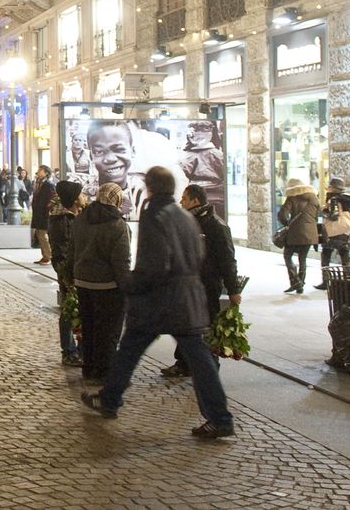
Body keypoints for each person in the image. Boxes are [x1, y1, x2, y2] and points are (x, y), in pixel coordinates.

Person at [82, 166, 235, 440]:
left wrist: (131, 284)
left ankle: (109, 400)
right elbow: (198, 255)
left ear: (150, 187)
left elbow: (155, 262)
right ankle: (220, 417)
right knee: (200, 361)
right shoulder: (184, 216)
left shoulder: (154, 213)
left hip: (159, 300)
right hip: (188, 298)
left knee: (129, 350)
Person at [163, 183, 242, 378]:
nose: (181, 202)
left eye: (184, 198)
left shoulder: (215, 225)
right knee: (184, 324)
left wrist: (234, 289)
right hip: (185, 285)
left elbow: (227, 259)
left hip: (207, 285)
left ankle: (209, 367)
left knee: (205, 326)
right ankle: (184, 363)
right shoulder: (186, 222)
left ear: (195, 201)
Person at [71, 181, 131, 383]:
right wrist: (126, 287)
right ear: (116, 199)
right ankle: (104, 372)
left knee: (89, 328)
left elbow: (74, 249)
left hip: (83, 282)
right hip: (108, 286)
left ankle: (88, 369)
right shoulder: (117, 224)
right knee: (108, 331)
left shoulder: (81, 219)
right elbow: (121, 261)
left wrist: (71, 276)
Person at [49, 179, 84, 367]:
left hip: (75, 271)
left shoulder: (71, 216)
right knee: (68, 310)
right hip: (69, 272)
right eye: (80, 194)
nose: (84, 196)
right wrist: (66, 276)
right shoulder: (62, 220)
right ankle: (69, 351)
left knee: (74, 309)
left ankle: (77, 349)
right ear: (74, 199)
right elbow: (60, 251)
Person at [276, 179, 320, 293]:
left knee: (287, 256)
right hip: (311, 233)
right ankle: (300, 283)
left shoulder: (292, 197)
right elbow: (317, 214)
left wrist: (287, 224)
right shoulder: (314, 197)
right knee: (303, 259)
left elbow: (282, 214)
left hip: (295, 233)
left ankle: (296, 282)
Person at [315, 177, 350, 290]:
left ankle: (325, 282)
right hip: (345, 232)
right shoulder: (347, 198)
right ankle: (348, 281)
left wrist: (324, 211)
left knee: (325, 256)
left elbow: (333, 216)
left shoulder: (333, 199)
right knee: (345, 257)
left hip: (332, 232)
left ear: (332, 188)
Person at [31, 166, 56, 264]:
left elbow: (49, 199)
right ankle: (45, 255)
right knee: (39, 234)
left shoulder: (48, 184)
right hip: (38, 213)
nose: (37, 172)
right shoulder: (39, 182)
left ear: (46, 173)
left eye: (40, 170)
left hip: (44, 214)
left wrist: (46, 211)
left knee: (43, 234)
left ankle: (48, 256)